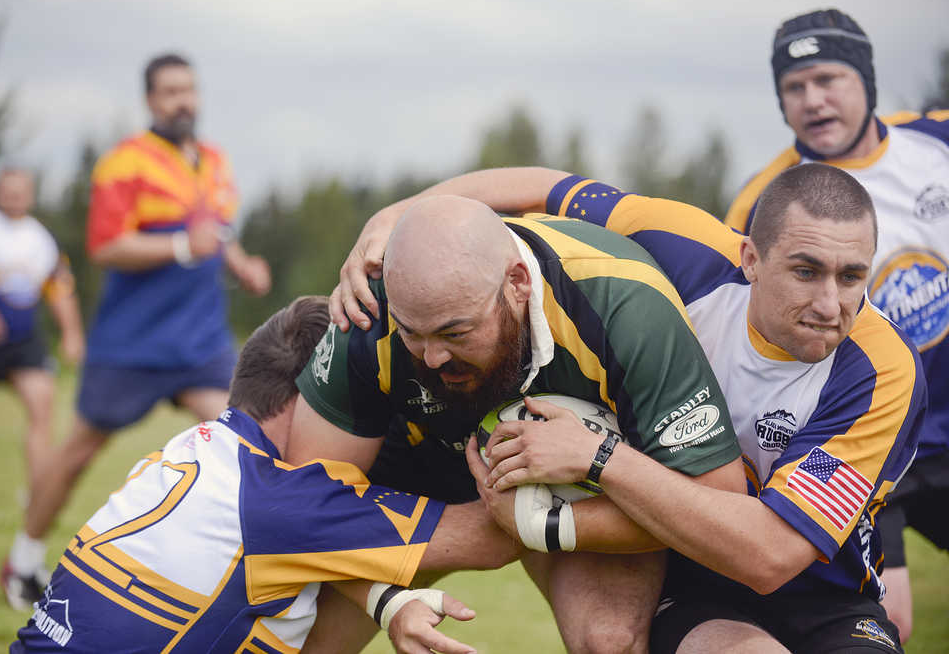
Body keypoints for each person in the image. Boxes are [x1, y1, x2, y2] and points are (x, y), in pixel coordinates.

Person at [330, 163, 926, 653]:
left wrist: (596, 460)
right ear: (748, 258)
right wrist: (395, 221)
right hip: (691, 585)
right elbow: (544, 186)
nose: (830, 303)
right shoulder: (683, 248)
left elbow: (768, 555)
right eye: (805, 271)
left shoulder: (882, 372)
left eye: (852, 277)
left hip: (826, 595)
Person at [291, 195, 744, 654]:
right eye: (411, 332)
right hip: (414, 461)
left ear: (518, 283)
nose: (432, 357)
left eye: (455, 332)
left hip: (576, 483)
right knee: (306, 641)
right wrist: (387, 601)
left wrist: (548, 524)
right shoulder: (370, 309)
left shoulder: (625, 306)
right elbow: (303, 499)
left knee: (609, 640)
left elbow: (718, 504)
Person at [11, 296, 519, 653]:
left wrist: (387, 603)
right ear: (311, 399)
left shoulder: (193, 450)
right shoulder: (278, 498)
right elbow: (486, 538)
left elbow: (296, 551)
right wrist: (580, 457)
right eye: (350, 404)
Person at [2, 52, 272, 609]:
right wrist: (178, 246)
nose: (184, 101)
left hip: (200, 342)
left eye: (190, 90)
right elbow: (104, 247)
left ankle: (251, 580)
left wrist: (241, 264)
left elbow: (216, 235)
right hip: (131, 344)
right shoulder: (123, 164)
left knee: (252, 440)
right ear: (150, 100)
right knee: (79, 452)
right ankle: (24, 558)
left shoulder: (216, 161)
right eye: (171, 91)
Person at [723, 9, 949, 643]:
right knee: (891, 617)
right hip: (864, 435)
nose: (813, 100)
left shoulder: (935, 145)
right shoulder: (761, 203)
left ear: (867, 81)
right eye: (794, 88)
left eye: (829, 79)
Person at [0, 168, 85, 608]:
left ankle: (36, 491)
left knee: (42, 404)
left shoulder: (39, 238)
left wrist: (71, 333)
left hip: (24, 345)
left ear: (30, 194)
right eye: (7, 190)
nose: (13, 197)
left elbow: (60, 287)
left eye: (21, 191)